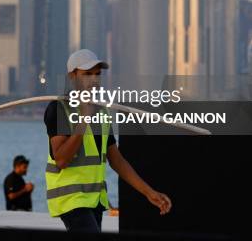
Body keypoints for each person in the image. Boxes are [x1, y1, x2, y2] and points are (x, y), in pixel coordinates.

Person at [44, 49, 172, 232]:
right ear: (72, 76)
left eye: (97, 74)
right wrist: (84, 120)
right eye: (87, 74)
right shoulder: (59, 108)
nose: (94, 79)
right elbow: (62, 160)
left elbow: (117, 160)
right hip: (71, 200)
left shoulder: (101, 112)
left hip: (95, 200)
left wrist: (149, 192)